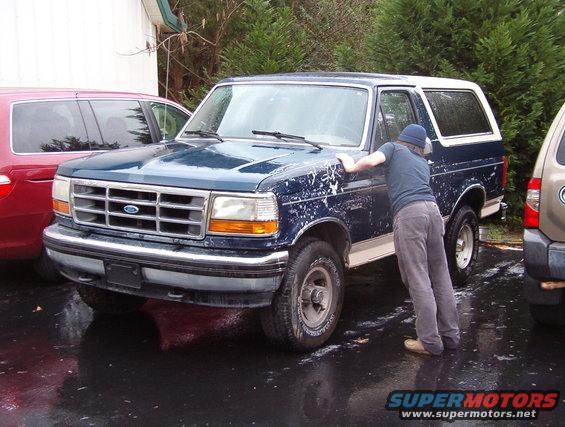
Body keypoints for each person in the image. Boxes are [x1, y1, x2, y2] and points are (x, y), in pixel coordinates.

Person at [336, 124, 459, 356]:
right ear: (420, 146)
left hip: (410, 215)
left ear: (402, 139)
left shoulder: (393, 148)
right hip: (434, 213)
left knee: (418, 277)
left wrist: (350, 165)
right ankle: (451, 337)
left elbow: (372, 161)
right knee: (440, 276)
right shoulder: (423, 163)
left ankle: (430, 342)